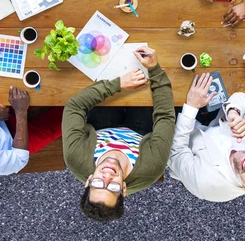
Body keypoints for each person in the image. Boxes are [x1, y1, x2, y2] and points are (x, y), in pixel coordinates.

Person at [62, 46, 174, 221]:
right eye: (112, 187)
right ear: (123, 189)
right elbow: (165, 117)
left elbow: (74, 107)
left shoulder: (75, 159)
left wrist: (118, 84)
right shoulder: (151, 168)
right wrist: (154, 69)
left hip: (102, 126)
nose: (107, 176)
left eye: (98, 183)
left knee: (107, 65)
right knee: (146, 78)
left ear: (88, 181)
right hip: (141, 130)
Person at [168, 73, 245, 202]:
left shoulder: (207, 185)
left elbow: (176, 152)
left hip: (175, 135)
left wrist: (191, 106)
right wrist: (234, 112)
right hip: (212, 118)